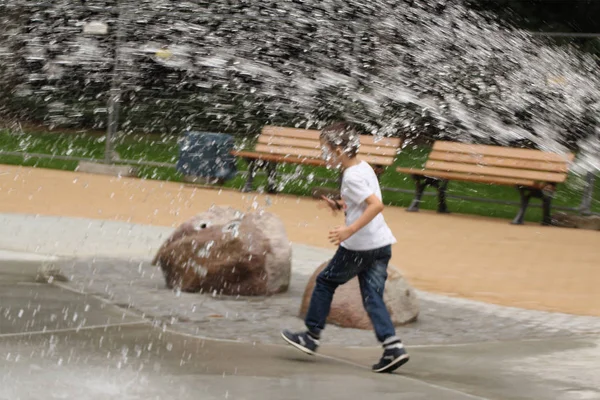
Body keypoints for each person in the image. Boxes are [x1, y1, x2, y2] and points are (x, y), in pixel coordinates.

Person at [281, 121, 409, 373]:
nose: (324, 155)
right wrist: (340, 205)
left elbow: (375, 205)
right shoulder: (363, 167)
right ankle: (393, 347)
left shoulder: (350, 176)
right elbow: (363, 201)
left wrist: (349, 230)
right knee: (373, 297)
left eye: (326, 149)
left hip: (359, 246)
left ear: (339, 150)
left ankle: (311, 336)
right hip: (381, 244)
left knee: (326, 282)